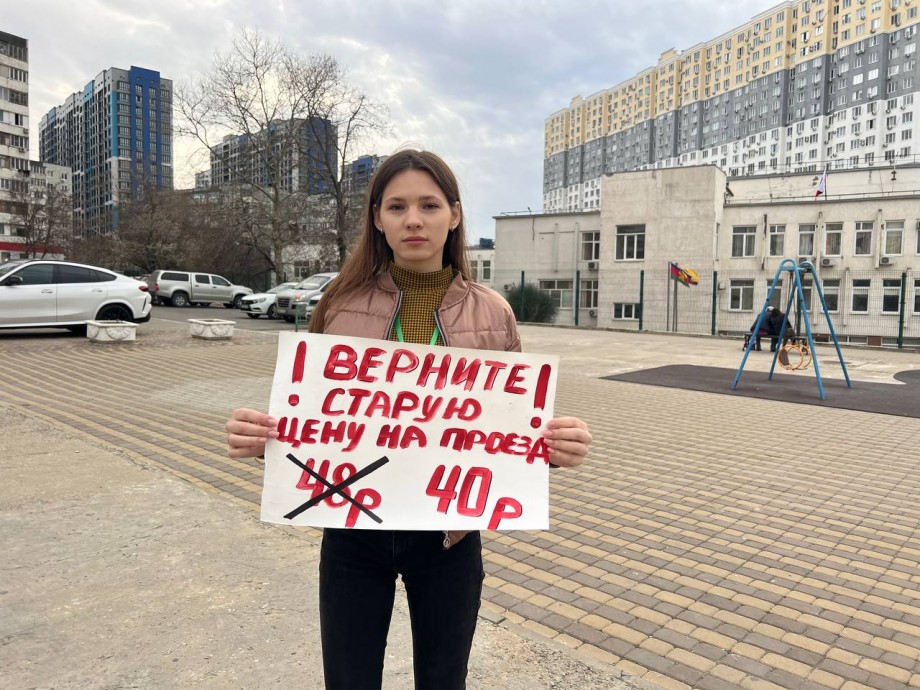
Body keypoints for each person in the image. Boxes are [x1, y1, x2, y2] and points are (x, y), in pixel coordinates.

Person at [225, 149, 592, 690]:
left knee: (444, 681)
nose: (413, 220)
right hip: (353, 532)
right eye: (397, 206)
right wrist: (265, 440)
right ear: (377, 218)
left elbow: (510, 427)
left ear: (455, 215)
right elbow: (312, 419)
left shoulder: (494, 313)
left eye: (429, 205)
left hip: (449, 537)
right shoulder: (339, 303)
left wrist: (554, 448)